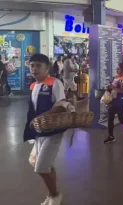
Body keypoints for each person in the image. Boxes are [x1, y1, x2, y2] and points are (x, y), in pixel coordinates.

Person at [23, 54, 73, 205]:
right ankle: (52, 196)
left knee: (41, 167)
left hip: (53, 132)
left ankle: (55, 195)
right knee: (45, 165)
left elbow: (62, 105)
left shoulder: (54, 83)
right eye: (32, 66)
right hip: (39, 132)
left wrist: (45, 116)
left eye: (38, 66)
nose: (35, 69)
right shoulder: (33, 86)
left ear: (47, 68)